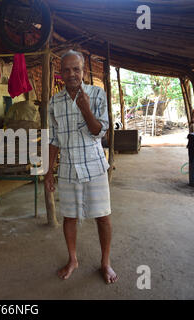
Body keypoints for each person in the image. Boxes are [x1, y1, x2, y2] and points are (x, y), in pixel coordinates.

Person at [44, 49, 118, 284]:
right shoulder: (54, 102)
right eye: (66, 70)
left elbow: (99, 131)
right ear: (60, 73)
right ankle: (73, 259)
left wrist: (85, 108)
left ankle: (105, 263)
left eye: (76, 69)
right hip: (67, 168)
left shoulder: (97, 95)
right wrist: (48, 171)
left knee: (103, 217)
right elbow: (53, 140)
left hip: (94, 166)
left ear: (83, 71)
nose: (71, 74)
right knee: (69, 217)